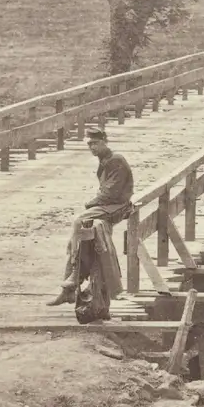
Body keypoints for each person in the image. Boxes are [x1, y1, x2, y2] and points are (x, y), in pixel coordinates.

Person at [49, 128, 134, 316]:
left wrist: (91, 203)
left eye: (96, 143)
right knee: (85, 231)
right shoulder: (105, 161)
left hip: (118, 206)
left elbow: (110, 193)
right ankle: (70, 284)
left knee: (79, 221)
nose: (92, 147)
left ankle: (72, 279)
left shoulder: (116, 161)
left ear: (105, 141)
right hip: (108, 205)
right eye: (89, 144)